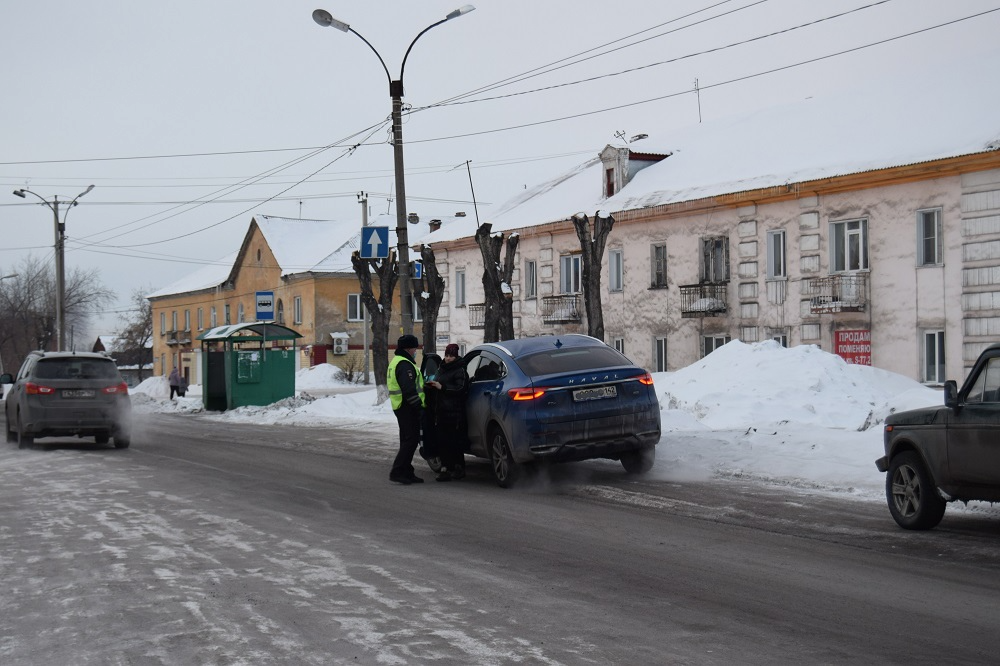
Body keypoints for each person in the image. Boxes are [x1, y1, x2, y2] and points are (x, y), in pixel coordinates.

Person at [425, 343, 469, 481]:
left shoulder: (460, 370)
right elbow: (439, 384)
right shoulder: (441, 369)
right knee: (442, 441)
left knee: (454, 442)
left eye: (451, 356)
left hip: (454, 413)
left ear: (456, 356)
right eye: (447, 355)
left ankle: (457, 468)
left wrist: (442, 387)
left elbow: (460, 389)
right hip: (441, 412)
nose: (448, 358)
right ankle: (445, 468)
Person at [387, 334, 426, 485]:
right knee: (411, 440)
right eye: (415, 348)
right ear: (409, 348)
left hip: (401, 406)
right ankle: (397, 471)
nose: (417, 350)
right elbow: (408, 389)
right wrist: (418, 407)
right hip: (407, 407)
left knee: (406, 440)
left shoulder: (397, 361)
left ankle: (407, 472)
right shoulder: (404, 365)